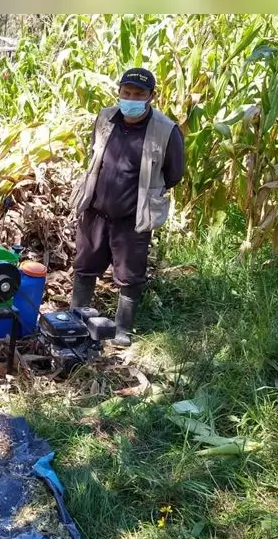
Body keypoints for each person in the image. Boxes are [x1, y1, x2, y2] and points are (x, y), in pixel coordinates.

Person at [69, 67, 185, 347]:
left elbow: (174, 174)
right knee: (85, 266)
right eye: (126, 92)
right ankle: (76, 319)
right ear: (119, 92)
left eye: (138, 94)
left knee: (130, 275)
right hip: (96, 211)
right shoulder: (105, 118)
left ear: (151, 96)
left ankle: (122, 329)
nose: (131, 99)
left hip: (133, 217)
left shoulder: (166, 130)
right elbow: (94, 154)